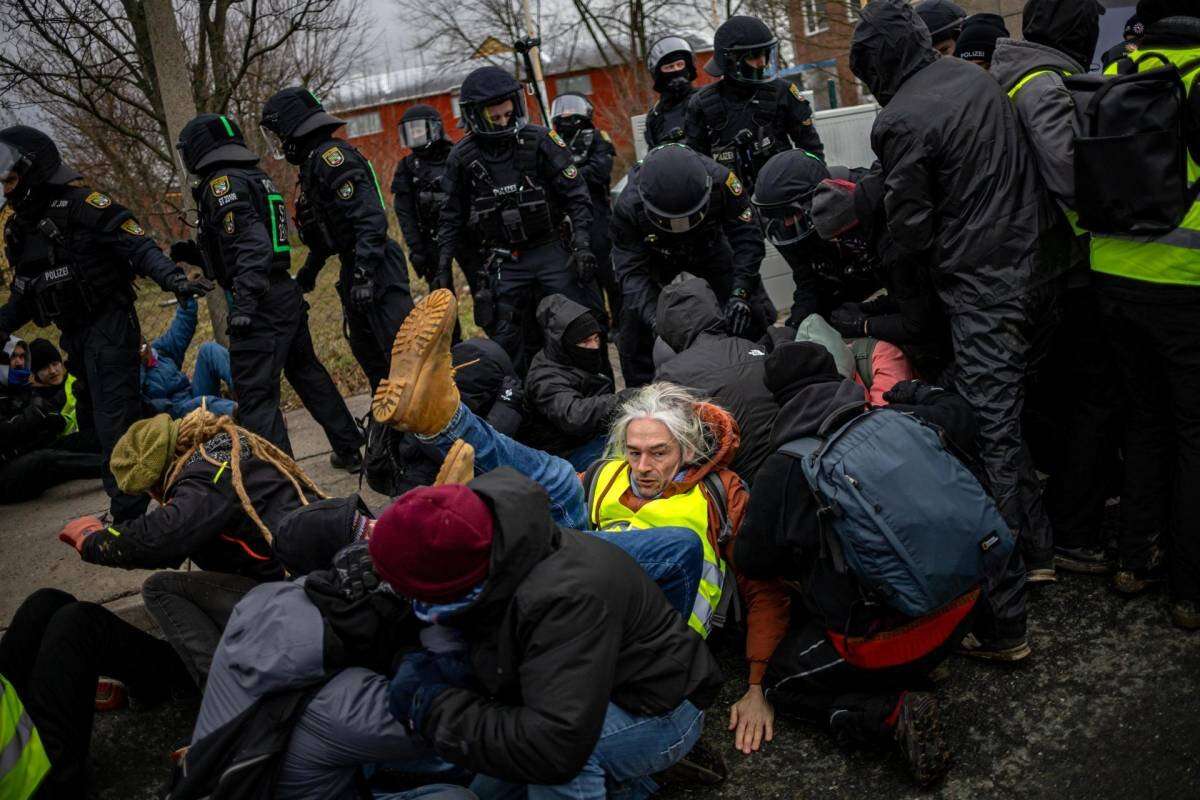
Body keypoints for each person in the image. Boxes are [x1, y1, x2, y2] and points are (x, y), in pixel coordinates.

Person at [371, 290, 789, 752]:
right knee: (560, 482)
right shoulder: (613, 473)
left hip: (658, 627)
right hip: (582, 601)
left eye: (659, 453)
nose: (643, 466)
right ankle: (441, 421)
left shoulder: (720, 492)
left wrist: (757, 686)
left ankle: (480, 525)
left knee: (616, 535)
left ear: (687, 452)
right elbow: (550, 487)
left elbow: (762, 586)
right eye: (634, 452)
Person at [733, 342, 1023, 783]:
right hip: (966, 605)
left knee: (781, 682)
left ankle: (887, 713)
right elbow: (961, 413)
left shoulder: (787, 466)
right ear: (840, 377)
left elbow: (753, 561)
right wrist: (910, 392)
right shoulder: (901, 419)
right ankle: (944, 653)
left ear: (779, 401)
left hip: (890, 644)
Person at [850, 0, 1067, 589]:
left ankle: (1012, 573)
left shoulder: (900, 118)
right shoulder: (976, 79)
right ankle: (1043, 544)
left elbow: (912, 226)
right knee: (1016, 413)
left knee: (991, 426)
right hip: (1043, 268)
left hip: (985, 285)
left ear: (876, 66)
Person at [371, 472, 725, 799]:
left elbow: (554, 748)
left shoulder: (561, 598)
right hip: (588, 689)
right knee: (488, 790)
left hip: (660, 708)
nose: (419, 606)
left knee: (553, 769)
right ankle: (628, 781)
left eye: (421, 597)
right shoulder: (497, 536)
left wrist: (431, 707)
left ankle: (635, 770)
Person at [0, 125, 207, 521]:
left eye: (11, 179)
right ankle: (168, 476)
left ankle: (128, 521)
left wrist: (174, 278)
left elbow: (139, 247)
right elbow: (23, 298)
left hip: (111, 328)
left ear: (33, 170)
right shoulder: (20, 229)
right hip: (74, 337)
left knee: (117, 430)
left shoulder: (85, 204)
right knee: (99, 427)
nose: (7, 190)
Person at [55, 408, 329, 684]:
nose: (154, 497)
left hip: (297, 592)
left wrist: (94, 539)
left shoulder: (204, 478)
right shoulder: (224, 450)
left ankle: (225, 693)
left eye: (150, 489)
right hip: (308, 576)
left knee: (159, 588)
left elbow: (163, 536)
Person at [180, 547, 472, 800]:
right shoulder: (352, 705)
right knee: (459, 789)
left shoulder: (263, 601)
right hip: (317, 760)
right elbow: (456, 726)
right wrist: (442, 637)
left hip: (219, 779)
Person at [991, 0, 1116, 575]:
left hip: (1028, 266)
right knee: (1087, 394)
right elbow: (1069, 174)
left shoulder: (1013, 71)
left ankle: (1066, 515)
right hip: (1054, 266)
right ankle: (1074, 527)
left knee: (1060, 393)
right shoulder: (1042, 81)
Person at [1088, 0, 1200, 628]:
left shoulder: (1117, 75)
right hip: (1186, 285)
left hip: (1113, 278)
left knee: (1144, 422)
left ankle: (1133, 559)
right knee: (1193, 433)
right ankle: (1189, 588)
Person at [172, 112, 364, 468]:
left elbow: (252, 248)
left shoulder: (223, 184)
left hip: (258, 303)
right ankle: (350, 447)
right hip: (282, 294)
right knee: (308, 374)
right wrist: (200, 255)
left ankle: (280, 480)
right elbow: (249, 244)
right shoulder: (255, 178)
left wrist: (243, 305)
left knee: (256, 396)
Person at [435, 66, 601, 374]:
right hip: (505, 259)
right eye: (494, 118)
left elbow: (577, 194)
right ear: (475, 115)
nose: (503, 122)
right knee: (507, 336)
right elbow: (450, 217)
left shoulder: (540, 140)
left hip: (550, 249)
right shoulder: (462, 157)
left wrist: (582, 242)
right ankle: (521, 404)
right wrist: (443, 267)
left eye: (508, 115)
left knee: (577, 323)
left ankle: (592, 391)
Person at [260, 86, 415, 393]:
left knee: (401, 357)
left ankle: (428, 429)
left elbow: (371, 221)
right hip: (355, 265)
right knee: (370, 356)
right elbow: (327, 233)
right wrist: (309, 273)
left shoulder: (333, 159)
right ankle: (394, 430)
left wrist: (364, 275)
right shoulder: (312, 164)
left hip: (376, 265)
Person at [0, 588, 193, 799]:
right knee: (79, 624)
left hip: (15, 721)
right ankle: (194, 672)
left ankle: (150, 685)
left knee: (45, 604)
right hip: (38, 780)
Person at [610, 143, 772, 387]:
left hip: (708, 245)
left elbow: (748, 240)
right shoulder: (627, 206)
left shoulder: (723, 182)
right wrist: (657, 320)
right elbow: (631, 274)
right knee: (633, 324)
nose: (682, 224)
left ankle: (765, 365)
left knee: (750, 306)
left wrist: (740, 293)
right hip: (656, 253)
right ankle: (641, 392)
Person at [652, 277, 778, 485]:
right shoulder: (750, 347)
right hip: (784, 466)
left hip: (732, 485)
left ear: (667, 325)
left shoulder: (670, 375)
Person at [365, 337, 526, 498]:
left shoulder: (443, 385)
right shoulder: (437, 417)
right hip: (422, 487)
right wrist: (507, 406)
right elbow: (476, 453)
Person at [685, 15, 824, 190]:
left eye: (765, 55)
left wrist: (815, 190)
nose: (762, 64)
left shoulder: (783, 92)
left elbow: (812, 150)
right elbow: (696, 166)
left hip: (784, 194)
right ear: (731, 61)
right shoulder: (702, 104)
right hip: (730, 202)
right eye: (753, 57)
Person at [751, 151, 883, 326]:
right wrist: (795, 327)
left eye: (791, 213)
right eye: (780, 216)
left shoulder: (868, 196)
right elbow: (807, 278)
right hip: (843, 289)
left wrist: (869, 320)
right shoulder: (786, 226)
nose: (788, 223)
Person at [391, 104, 484, 297]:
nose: (414, 135)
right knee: (440, 299)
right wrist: (416, 248)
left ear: (433, 128)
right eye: (409, 131)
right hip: (431, 240)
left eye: (417, 129)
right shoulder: (407, 168)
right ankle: (450, 329)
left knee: (483, 289)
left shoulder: (457, 155)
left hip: (467, 235)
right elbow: (405, 212)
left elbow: (477, 194)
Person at [523, 294, 623, 471]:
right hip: (566, 454)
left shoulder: (578, 358)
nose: (594, 347)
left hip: (592, 436)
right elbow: (574, 415)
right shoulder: (545, 378)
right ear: (566, 343)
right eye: (585, 341)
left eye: (596, 338)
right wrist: (620, 400)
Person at [0, 338, 103, 504]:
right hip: (7, 475)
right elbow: (7, 432)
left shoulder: (20, 387)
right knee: (47, 459)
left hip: (32, 452)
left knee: (86, 439)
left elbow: (49, 419)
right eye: (13, 357)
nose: (19, 362)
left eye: (21, 357)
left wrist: (50, 419)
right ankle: (114, 469)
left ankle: (134, 451)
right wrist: (36, 415)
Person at [551, 92, 620, 337]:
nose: (567, 115)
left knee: (608, 271)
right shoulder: (553, 143)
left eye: (572, 110)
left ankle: (619, 323)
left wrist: (572, 176)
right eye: (563, 110)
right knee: (581, 275)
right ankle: (595, 323)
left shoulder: (597, 138)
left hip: (598, 212)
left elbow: (601, 170)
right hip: (568, 218)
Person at [139, 296, 235, 418]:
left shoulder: (158, 351)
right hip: (179, 418)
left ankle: (252, 390)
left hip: (195, 396)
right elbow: (158, 409)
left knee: (209, 350)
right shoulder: (130, 377)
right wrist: (140, 364)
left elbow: (180, 330)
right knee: (208, 403)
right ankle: (244, 415)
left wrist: (185, 293)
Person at [644, 35, 699, 148]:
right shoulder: (655, 115)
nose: (676, 70)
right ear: (659, 74)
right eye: (669, 67)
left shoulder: (704, 100)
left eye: (680, 65)